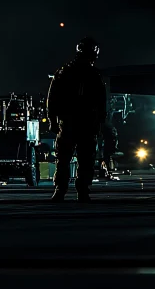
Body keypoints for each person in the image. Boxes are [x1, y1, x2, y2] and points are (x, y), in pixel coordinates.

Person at [47, 37, 107, 202]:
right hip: (83, 123)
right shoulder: (93, 74)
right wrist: (100, 121)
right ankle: (81, 190)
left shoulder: (64, 72)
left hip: (70, 122)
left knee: (65, 158)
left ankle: (62, 190)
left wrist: (52, 120)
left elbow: (52, 99)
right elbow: (101, 101)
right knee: (84, 159)